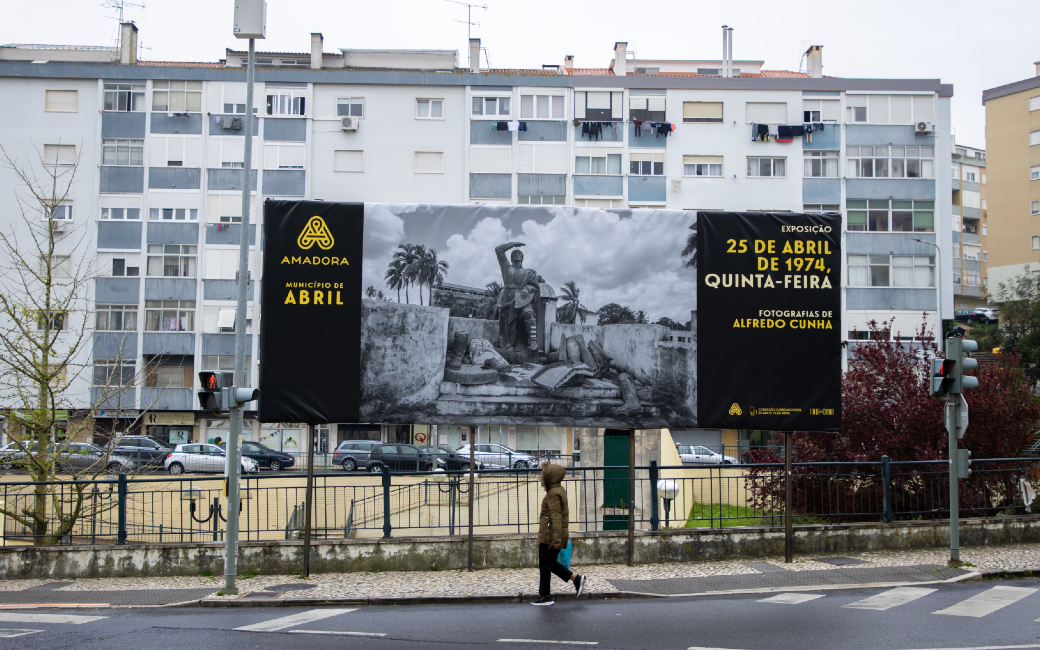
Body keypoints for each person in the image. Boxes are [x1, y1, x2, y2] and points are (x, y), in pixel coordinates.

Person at [532, 461, 586, 605]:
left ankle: (546, 596)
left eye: (544, 475)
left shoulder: (553, 493)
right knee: (549, 563)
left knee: (545, 564)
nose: (542, 478)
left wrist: (556, 539)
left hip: (549, 535)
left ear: (551, 477)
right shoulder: (558, 490)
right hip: (552, 533)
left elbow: (556, 517)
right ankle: (576, 579)